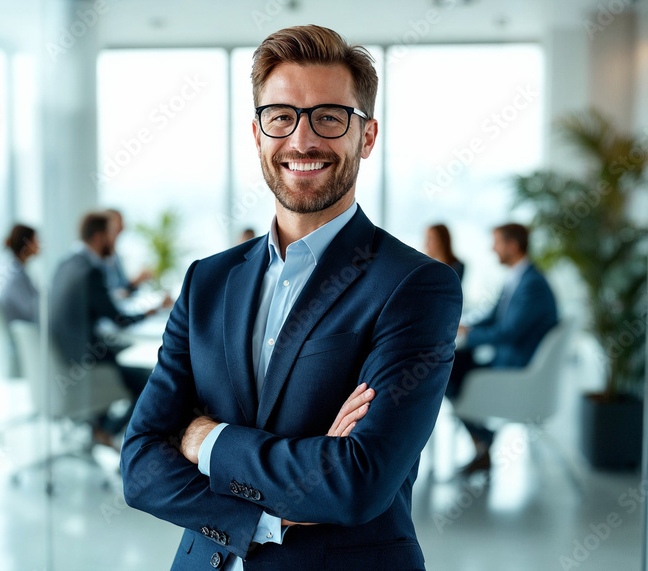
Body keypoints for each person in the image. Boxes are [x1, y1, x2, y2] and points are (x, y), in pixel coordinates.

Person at [120, 26, 462, 570]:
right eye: (281, 116)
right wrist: (268, 516)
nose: (302, 141)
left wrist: (205, 440)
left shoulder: (415, 286)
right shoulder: (207, 281)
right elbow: (139, 465)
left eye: (329, 117)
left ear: (367, 136)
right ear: (257, 133)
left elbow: (356, 481)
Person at [446, 223, 558, 475]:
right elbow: (496, 317)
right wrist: (466, 329)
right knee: (450, 363)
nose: (492, 249)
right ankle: (482, 441)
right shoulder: (520, 277)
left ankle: (483, 439)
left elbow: (509, 332)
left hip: (517, 368)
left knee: (447, 369)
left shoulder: (532, 285)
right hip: (510, 359)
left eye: (496, 242)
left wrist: (469, 337)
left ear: (513, 246)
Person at [49, 212, 169, 445]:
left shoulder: (67, 264)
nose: (114, 241)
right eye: (111, 235)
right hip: (85, 365)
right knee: (153, 381)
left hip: (66, 360)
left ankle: (100, 426)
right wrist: (152, 310)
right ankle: (108, 431)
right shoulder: (90, 271)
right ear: (99, 237)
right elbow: (119, 320)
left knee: (118, 351)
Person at [104, 208, 153, 297]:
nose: (122, 227)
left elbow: (123, 287)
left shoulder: (115, 256)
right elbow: (115, 294)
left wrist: (137, 281)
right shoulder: (99, 259)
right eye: (118, 223)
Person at [0, 224, 40, 324]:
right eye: (36, 240)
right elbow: (33, 311)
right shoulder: (17, 278)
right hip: (26, 333)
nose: (39, 245)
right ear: (27, 245)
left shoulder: (15, 272)